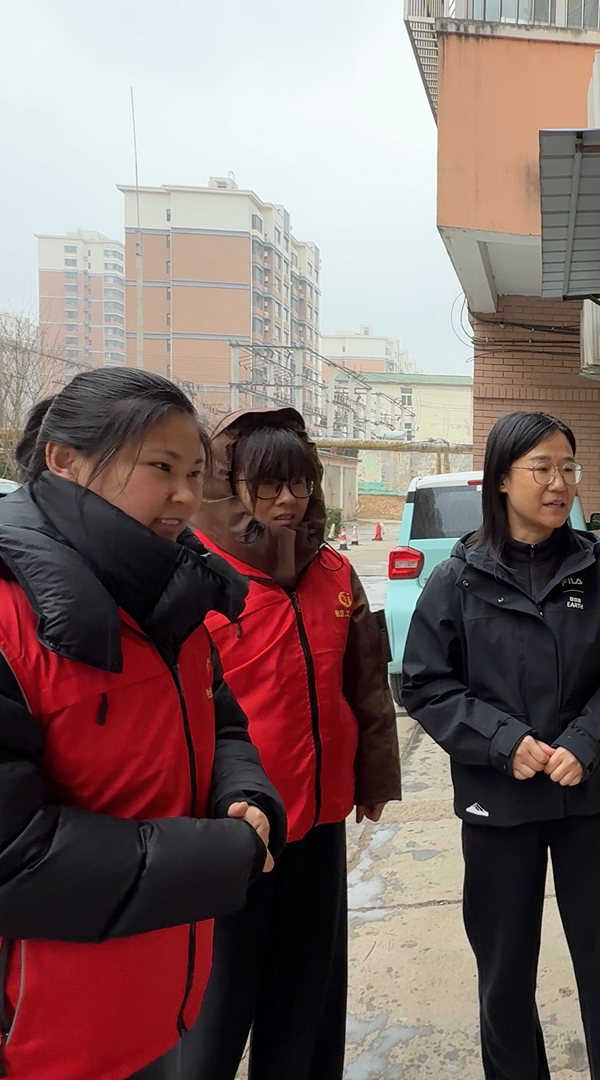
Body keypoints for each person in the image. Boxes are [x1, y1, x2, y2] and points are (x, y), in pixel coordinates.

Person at [0, 369, 286, 1080]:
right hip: (6, 1044)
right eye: (161, 468)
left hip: (140, 1012)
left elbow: (218, 719)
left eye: (195, 474)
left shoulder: (162, 606)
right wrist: (215, 858)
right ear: (64, 460)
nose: (184, 495)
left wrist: (243, 793)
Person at [400, 411, 600, 1080]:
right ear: (501, 478)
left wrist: (587, 741)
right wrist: (501, 740)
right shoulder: (457, 580)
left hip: (591, 801)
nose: (559, 483)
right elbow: (427, 684)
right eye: (541, 468)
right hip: (499, 806)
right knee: (504, 974)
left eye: (568, 467)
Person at [180, 408, 401, 1079]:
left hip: (319, 820)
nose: (287, 500)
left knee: (308, 998)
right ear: (231, 486)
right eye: (268, 485)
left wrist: (373, 779)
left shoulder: (333, 572)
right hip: (232, 826)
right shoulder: (196, 574)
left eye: (300, 484)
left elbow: (365, 682)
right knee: (215, 1010)